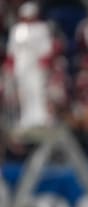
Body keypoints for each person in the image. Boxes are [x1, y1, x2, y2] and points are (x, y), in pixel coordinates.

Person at [5, 1, 53, 131]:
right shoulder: (17, 30)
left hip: (36, 66)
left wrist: (44, 63)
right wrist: (10, 66)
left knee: (38, 90)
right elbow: (12, 50)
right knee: (24, 92)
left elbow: (47, 48)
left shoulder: (42, 28)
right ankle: (26, 118)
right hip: (21, 67)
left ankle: (41, 117)